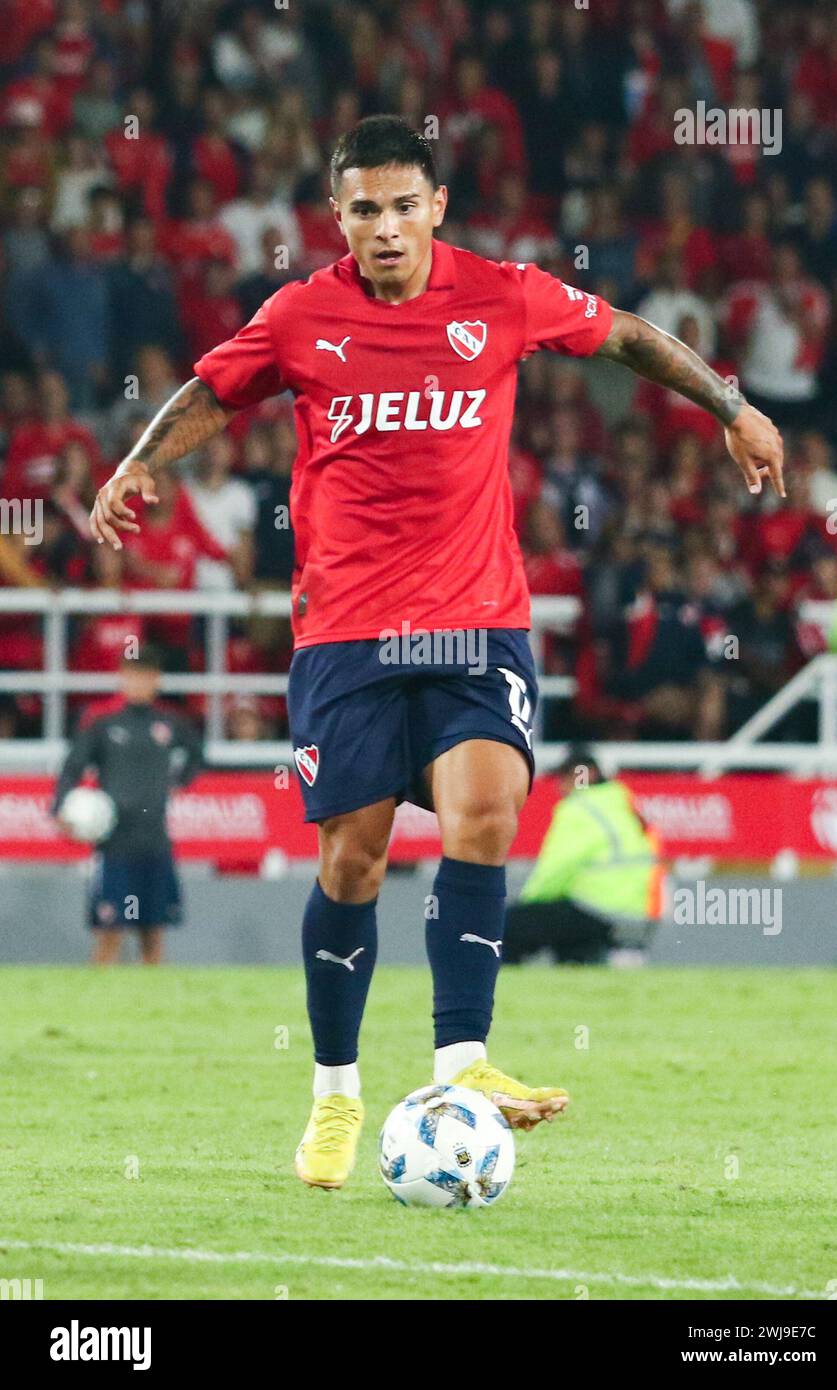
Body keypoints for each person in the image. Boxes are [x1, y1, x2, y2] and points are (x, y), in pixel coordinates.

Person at [89, 116, 785, 1189]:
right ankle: (333, 1093)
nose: (383, 228)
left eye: (402, 206)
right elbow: (207, 393)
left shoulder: (501, 294)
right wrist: (138, 462)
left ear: (435, 209)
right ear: (338, 217)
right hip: (348, 632)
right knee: (351, 863)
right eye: (362, 209)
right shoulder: (299, 315)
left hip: (475, 621)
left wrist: (731, 406)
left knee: (485, 813)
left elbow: (629, 337)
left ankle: (461, 1064)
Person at [51, 647, 202, 966]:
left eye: (145, 677)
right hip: (114, 843)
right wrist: (60, 807)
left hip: (155, 840)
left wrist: (179, 781)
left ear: (156, 680)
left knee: (154, 933)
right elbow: (72, 767)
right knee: (109, 932)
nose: (138, 684)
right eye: (132, 676)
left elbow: (197, 755)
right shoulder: (102, 722)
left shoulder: (169, 722)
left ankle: (152, 1008)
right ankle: (99, 1008)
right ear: (121, 677)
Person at [504, 749, 663, 966]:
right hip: (640, 911)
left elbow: (558, 868)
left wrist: (528, 902)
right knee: (569, 941)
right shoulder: (622, 803)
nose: (560, 786)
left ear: (585, 774)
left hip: (599, 907)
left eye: (565, 777)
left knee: (508, 927)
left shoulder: (578, 807)